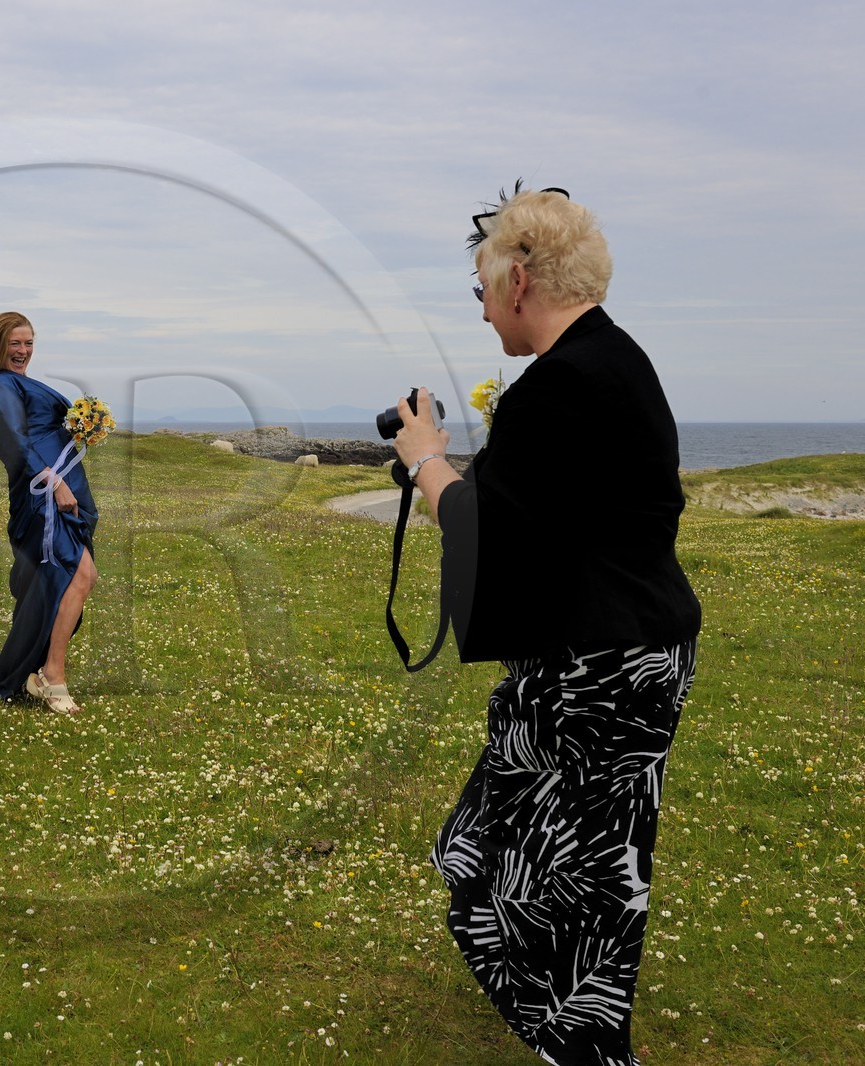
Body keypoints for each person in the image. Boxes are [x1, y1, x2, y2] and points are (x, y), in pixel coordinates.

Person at [392, 185, 701, 1066]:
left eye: (483, 293)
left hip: (598, 666)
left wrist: (426, 465)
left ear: (519, 281)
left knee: (548, 872)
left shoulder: (561, 384)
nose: (485, 314)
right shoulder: (613, 363)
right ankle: (580, 1032)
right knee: (537, 859)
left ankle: (588, 1041)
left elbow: (492, 533)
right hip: (626, 653)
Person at [0, 311, 99, 712]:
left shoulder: (21, 382)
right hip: (42, 491)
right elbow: (14, 442)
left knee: (69, 578)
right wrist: (54, 482)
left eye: (28, 343)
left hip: (60, 485)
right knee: (77, 573)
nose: (23, 351)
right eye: (14, 343)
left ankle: (39, 670)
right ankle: (51, 676)